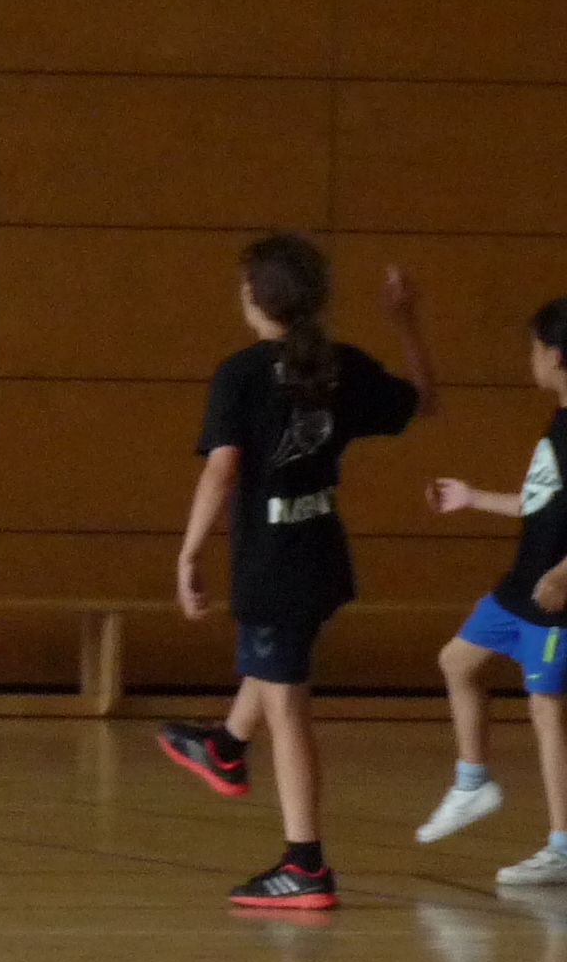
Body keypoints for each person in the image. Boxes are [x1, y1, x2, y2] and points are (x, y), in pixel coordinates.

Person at [157, 235, 437, 911]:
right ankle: (226, 745)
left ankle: (305, 865)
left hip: (272, 564)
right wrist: (404, 320)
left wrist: (188, 553)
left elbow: (222, 469)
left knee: (287, 707)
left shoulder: (241, 374)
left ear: (257, 297)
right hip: (321, 554)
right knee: (274, 665)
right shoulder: (342, 365)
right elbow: (423, 400)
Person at [417, 297, 567, 884]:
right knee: (457, 662)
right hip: (517, 589)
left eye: (534, 350)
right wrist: (473, 498)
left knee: (547, 711)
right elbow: (540, 504)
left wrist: (564, 574)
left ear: (556, 356)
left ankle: (562, 845)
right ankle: (472, 783)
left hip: (555, 598)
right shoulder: (557, 423)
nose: (530, 360)